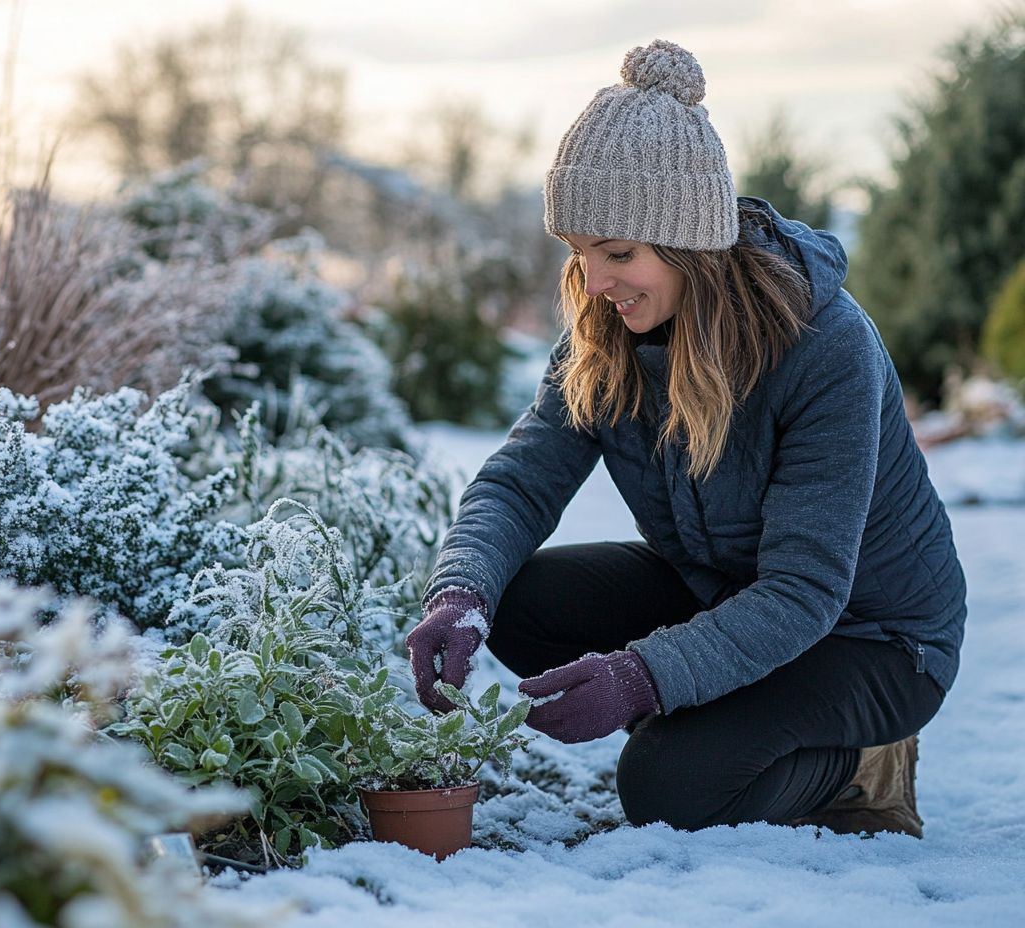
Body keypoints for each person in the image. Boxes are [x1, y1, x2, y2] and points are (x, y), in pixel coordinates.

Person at [405, 38, 966, 838]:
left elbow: (806, 590)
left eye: (619, 254)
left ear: (689, 245)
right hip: (731, 592)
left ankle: (860, 760)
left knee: (666, 789)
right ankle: (721, 721)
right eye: (579, 254)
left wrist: (641, 678)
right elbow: (520, 482)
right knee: (519, 601)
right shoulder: (612, 330)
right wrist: (457, 595)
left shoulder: (825, 347)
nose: (594, 284)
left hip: (873, 637)